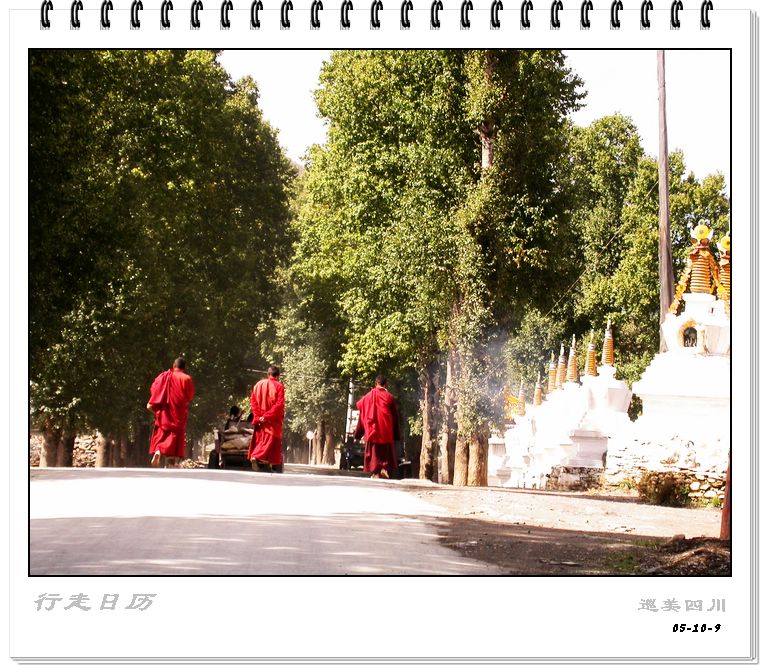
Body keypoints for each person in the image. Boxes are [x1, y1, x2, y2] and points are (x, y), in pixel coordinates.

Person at [147, 357, 195, 468]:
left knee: (162, 434)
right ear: (184, 367)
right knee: (174, 437)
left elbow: (154, 388)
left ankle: (158, 451)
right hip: (178, 413)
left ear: (174, 365)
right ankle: (171, 463)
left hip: (165, 412)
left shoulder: (165, 376)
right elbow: (190, 396)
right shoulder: (186, 378)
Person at [353, 375, 400, 479]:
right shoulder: (389, 397)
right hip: (385, 431)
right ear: (386, 385)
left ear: (375, 384)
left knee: (374, 454)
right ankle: (383, 469)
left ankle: (376, 472)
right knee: (385, 453)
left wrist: (358, 433)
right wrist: (396, 434)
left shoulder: (367, 397)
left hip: (372, 431)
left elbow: (362, 416)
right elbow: (395, 417)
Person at [247, 366, 286, 472]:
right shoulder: (279, 386)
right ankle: (256, 456)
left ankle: (266, 466)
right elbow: (279, 405)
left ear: (268, 374)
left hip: (260, 421)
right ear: (278, 376)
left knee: (261, 441)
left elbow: (253, 402)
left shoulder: (258, 385)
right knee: (269, 443)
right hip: (272, 421)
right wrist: (266, 416)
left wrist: (259, 416)